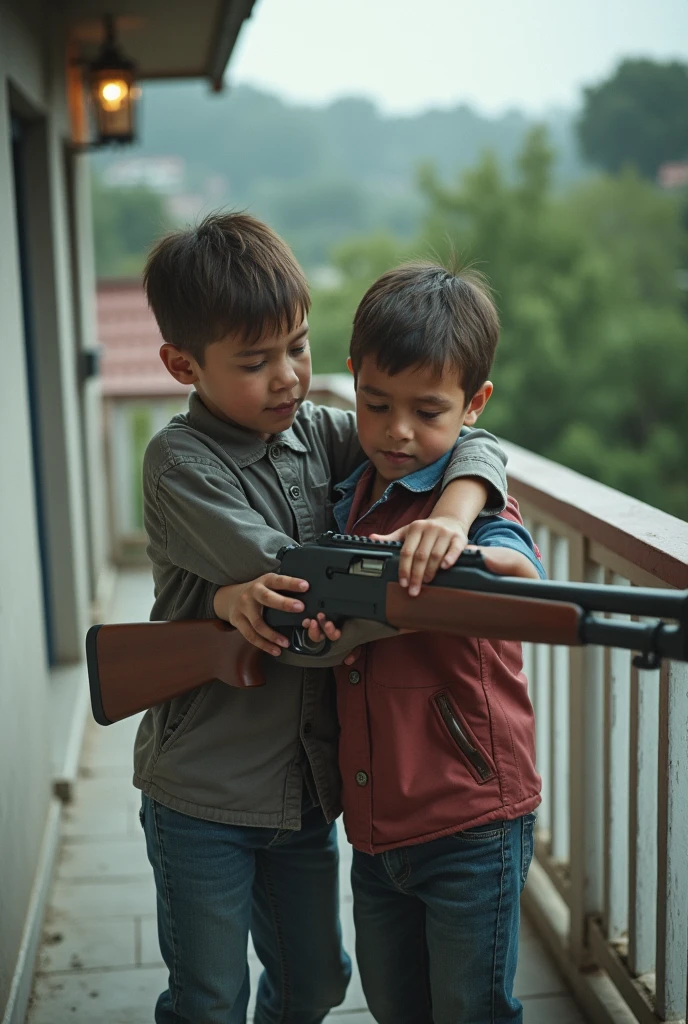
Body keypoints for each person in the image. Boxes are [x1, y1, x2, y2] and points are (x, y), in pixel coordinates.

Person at [135, 212, 511, 1024]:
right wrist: (428, 603)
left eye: (298, 347)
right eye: (255, 361)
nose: (289, 379)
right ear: (181, 364)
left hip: (303, 790)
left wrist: (454, 509)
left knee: (316, 984)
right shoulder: (180, 462)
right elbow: (302, 587)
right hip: (204, 784)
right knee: (207, 997)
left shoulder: (320, 433)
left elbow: (475, 444)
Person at [327, 262, 544, 1024]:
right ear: (352, 377)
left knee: (472, 1009)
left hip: (471, 819)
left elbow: (523, 574)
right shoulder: (351, 491)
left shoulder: (473, 506)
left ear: (473, 405)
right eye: (376, 403)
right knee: (394, 1007)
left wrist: (458, 542)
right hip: (375, 824)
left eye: (427, 411)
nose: (397, 432)